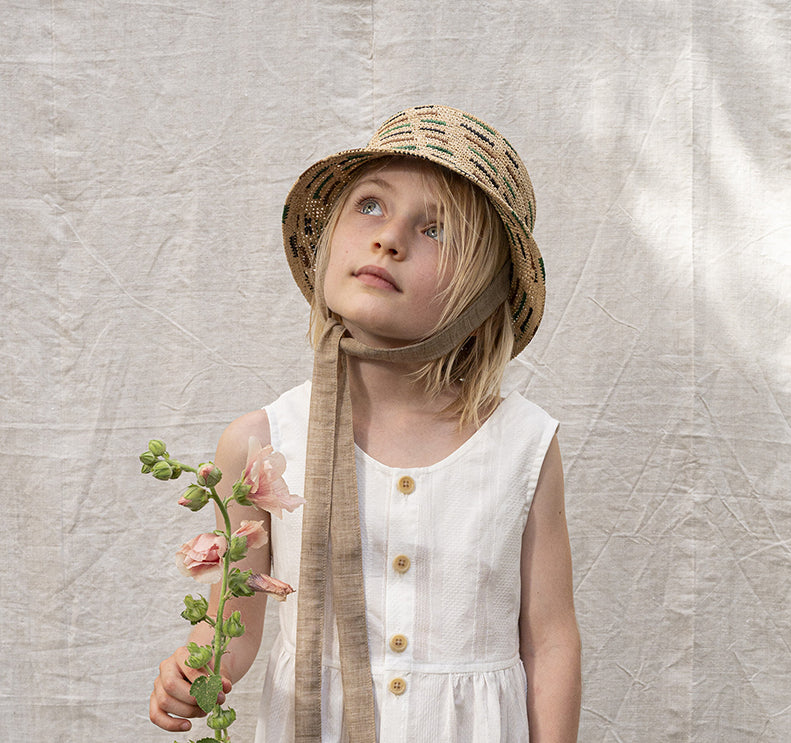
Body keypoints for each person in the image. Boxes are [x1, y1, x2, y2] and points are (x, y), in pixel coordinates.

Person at [150, 104, 581, 742]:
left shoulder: (522, 446)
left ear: (482, 293)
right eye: (371, 206)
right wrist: (196, 669)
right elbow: (233, 624)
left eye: (435, 231)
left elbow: (549, 643)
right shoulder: (261, 444)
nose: (390, 238)